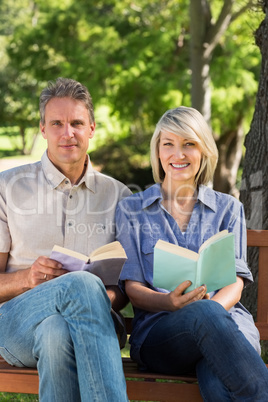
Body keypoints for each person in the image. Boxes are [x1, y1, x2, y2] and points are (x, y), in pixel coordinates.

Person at [116, 106, 268, 401]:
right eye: (168, 144)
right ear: (158, 152)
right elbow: (133, 289)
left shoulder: (228, 208)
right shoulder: (132, 210)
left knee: (216, 375)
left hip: (227, 322)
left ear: (204, 151)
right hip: (163, 333)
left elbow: (235, 283)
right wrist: (170, 303)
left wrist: (211, 316)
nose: (178, 154)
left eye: (189, 144)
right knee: (209, 326)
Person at [0, 77, 131, 402]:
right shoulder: (7, 188)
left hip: (96, 322)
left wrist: (101, 297)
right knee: (81, 284)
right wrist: (28, 278)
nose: (67, 132)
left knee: (58, 332)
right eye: (57, 123)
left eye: (76, 123)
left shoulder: (119, 196)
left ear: (91, 128)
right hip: (17, 322)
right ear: (43, 129)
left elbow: (128, 285)